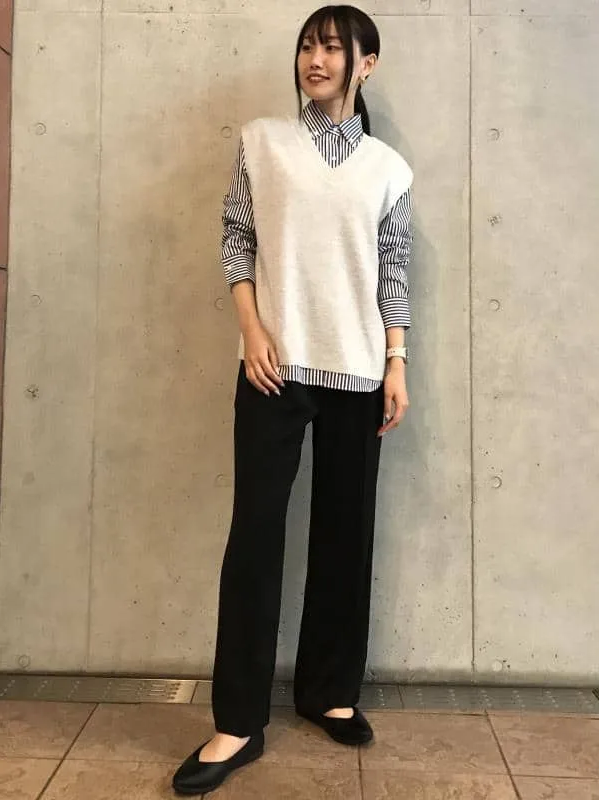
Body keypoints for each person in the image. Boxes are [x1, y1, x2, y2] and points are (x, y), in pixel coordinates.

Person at [172, 4, 414, 795]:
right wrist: (252, 331)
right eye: (308, 45)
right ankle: (237, 721)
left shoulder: (388, 169)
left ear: (365, 63)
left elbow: (394, 271)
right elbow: (236, 239)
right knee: (255, 538)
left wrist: (397, 363)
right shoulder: (262, 142)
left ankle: (329, 692)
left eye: (333, 48)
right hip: (272, 369)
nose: (316, 59)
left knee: (346, 534)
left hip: (358, 373)